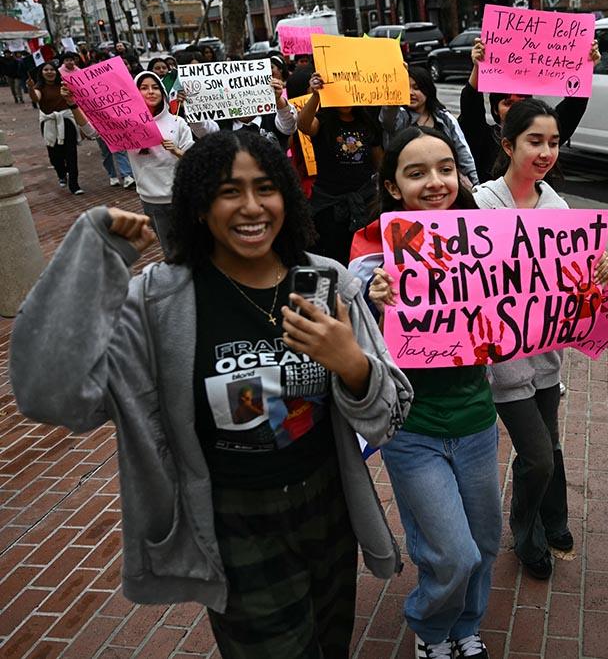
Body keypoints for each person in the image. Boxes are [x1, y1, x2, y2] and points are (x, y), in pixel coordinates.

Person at [11, 129, 412, 658]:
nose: (251, 206)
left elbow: (391, 414)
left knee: (330, 645)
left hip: (327, 508)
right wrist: (95, 259)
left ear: (286, 199)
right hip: (234, 525)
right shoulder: (157, 300)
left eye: (265, 188)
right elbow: (50, 396)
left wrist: (353, 366)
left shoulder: (326, 281)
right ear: (199, 206)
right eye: (228, 191)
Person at [472, 99, 608, 580]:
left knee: (551, 444)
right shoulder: (482, 204)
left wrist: (604, 281)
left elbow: (576, 289)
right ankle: (526, 533)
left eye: (554, 142)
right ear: (508, 145)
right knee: (538, 453)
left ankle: (554, 519)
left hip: (548, 357)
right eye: (534, 141)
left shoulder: (558, 206)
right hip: (502, 361)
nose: (546, 151)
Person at [363, 126, 499, 659]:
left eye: (445, 168)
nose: (436, 182)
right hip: (412, 428)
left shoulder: (489, 237)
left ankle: (465, 626)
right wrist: (372, 301)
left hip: (476, 423)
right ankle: (429, 624)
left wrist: (592, 285)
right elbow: (353, 342)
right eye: (416, 173)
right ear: (393, 186)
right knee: (452, 551)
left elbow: (535, 305)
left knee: (484, 544)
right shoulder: (369, 246)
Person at [65, 71, 193, 257]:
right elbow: (91, 132)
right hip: (152, 201)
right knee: (171, 251)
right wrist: (73, 104)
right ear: (134, 92)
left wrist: (176, 151)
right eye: (144, 88)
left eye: (155, 87)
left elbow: (193, 156)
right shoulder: (126, 123)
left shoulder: (177, 121)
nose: (150, 92)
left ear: (163, 92)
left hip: (182, 197)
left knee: (193, 245)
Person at [458, 38, 599, 183]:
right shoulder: (483, 137)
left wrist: (585, 66)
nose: (517, 109)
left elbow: (573, 107)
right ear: (495, 109)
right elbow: (471, 107)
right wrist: (478, 66)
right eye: (508, 103)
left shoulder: (545, 133)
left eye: (522, 102)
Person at [297, 71, 383, 265]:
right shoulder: (323, 121)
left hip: (364, 204)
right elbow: (303, 125)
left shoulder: (368, 123)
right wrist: (316, 95)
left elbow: (379, 162)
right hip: (330, 205)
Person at [381, 65, 478, 185]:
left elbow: (462, 151)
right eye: (405, 88)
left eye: (417, 88)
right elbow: (387, 117)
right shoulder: (398, 118)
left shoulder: (445, 118)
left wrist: (475, 184)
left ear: (427, 89)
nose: (411, 93)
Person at [190, 69, 297, 151]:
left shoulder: (273, 118)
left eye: (246, 95)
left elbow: (289, 124)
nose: (241, 102)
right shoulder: (221, 125)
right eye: (235, 96)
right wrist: (191, 103)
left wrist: (278, 99)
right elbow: (201, 129)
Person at [28, 60, 83, 194]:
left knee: (71, 154)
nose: (49, 72)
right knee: (55, 156)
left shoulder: (64, 84)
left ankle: (74, 185)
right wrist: (30, 88)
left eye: (52, 69)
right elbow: (36, 98)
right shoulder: (38, 87)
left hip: (66, 121)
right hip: (49, 124)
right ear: (41, 73)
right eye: (46, 70)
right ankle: (62, 174)